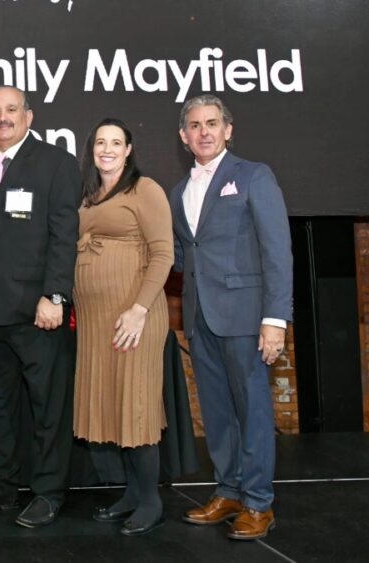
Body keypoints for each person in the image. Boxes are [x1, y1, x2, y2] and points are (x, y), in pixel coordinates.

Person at [170, 95, 292, 540]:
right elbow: (182, 256)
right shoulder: (178, 191)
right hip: (201, 317)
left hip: (246, 317)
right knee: (218, 412)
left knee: (253, 410)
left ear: (228, 129)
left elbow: (277, 250)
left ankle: (259, 501)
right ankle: (229, 490)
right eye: (195, 125)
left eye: (212, 123)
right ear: (184, 137)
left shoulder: (254, 176)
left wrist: (275, 318)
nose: (204, 131)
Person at [0, 85, 81, 528]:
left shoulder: (56, 163)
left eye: (11, 110)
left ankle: (49, 492)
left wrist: (55, 296)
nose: (3, 118)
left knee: (48, 409)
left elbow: (64, 235)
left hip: (39, 314)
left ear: (29, 116)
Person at [72, 118, 174, 535]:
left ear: (129, 150)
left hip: (134, 316)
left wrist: (139, 309)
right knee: (114, 403)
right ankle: (132, 492)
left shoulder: (145, 190)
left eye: (116, 142)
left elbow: (163, 254)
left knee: (136, 404)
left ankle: (151, 500)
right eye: (100, 142)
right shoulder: (88, 195)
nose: (107, 149)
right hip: (96, 321)